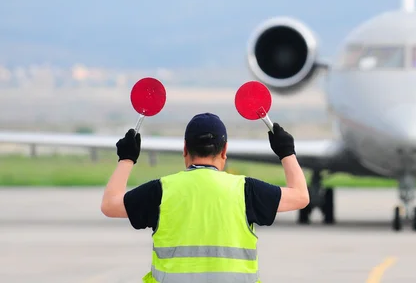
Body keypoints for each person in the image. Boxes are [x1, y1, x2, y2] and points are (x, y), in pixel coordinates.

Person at [100, 113, 309, 283]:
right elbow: (300, 196)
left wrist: (126, 158)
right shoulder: (246, 190)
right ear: (224, 150)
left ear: (185, 149)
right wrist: (286, 152)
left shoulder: (161, 191)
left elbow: (110, 204)